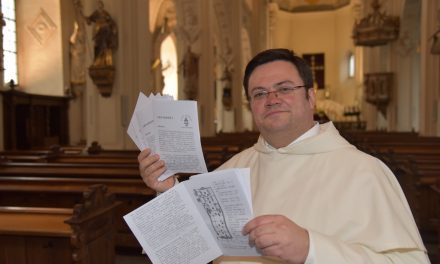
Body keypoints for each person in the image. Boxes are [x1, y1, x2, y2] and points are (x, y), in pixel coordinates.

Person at [137, 48, 429, 263]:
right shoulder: (231, 170)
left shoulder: (365, 172)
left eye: (285, 89)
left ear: (311, 97)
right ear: (251, 105)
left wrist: (312, 248)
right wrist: (168, 192)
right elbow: (193, 248)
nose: (272, 99)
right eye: (259, 93)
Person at [81, 0, 118, 67]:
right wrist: (84, 17)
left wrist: (107, 26)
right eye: (98, 5)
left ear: (102, 6)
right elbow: (89, 20)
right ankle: (97, 61)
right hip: (97, 33)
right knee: (97, 46)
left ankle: (105, 62)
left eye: (100, 5)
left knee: (105, 47)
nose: (99, 7)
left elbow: (110, 22)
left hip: (104, 34)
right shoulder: (96, 13)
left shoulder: (105, 13)